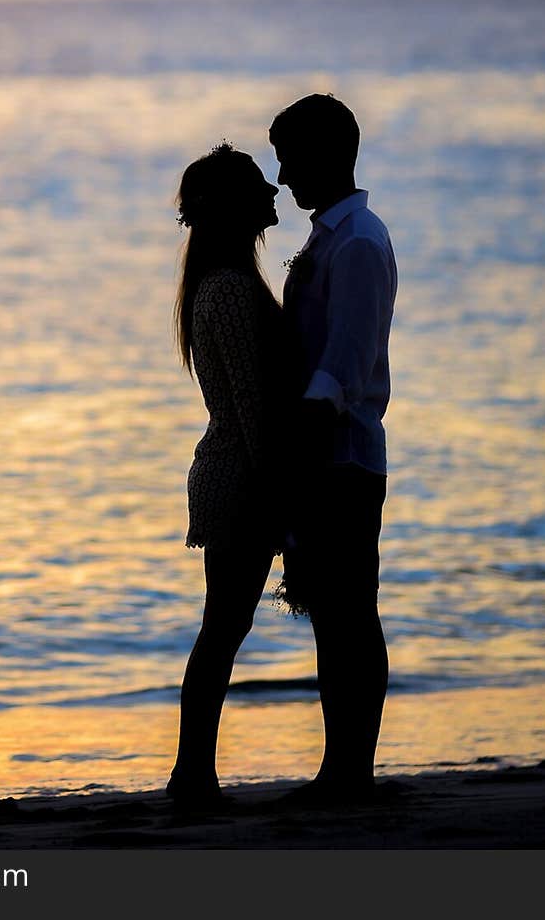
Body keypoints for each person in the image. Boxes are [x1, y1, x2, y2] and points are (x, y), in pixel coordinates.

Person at [269, 93, 397, 804]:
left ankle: (353, 768)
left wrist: (297, 447)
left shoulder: (356, 243)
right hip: (328, 454)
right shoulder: (333, 236)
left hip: (342, 456)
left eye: (289, 158)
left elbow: (343, 367)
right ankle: (340, 764)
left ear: (323, 155)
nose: (283, 176)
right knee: (333, 613)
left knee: (351, 612)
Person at [166, 142, 285, 810]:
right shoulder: (234, 293)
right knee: (222, 628)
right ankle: (192, 775)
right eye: (258, 187)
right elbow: (253, 409)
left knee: (223, 627)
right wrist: (284, 496)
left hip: (230, 472)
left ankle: (194, 773)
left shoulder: (220, 284)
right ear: (236, 207)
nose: (273, 193)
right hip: (239, 478)